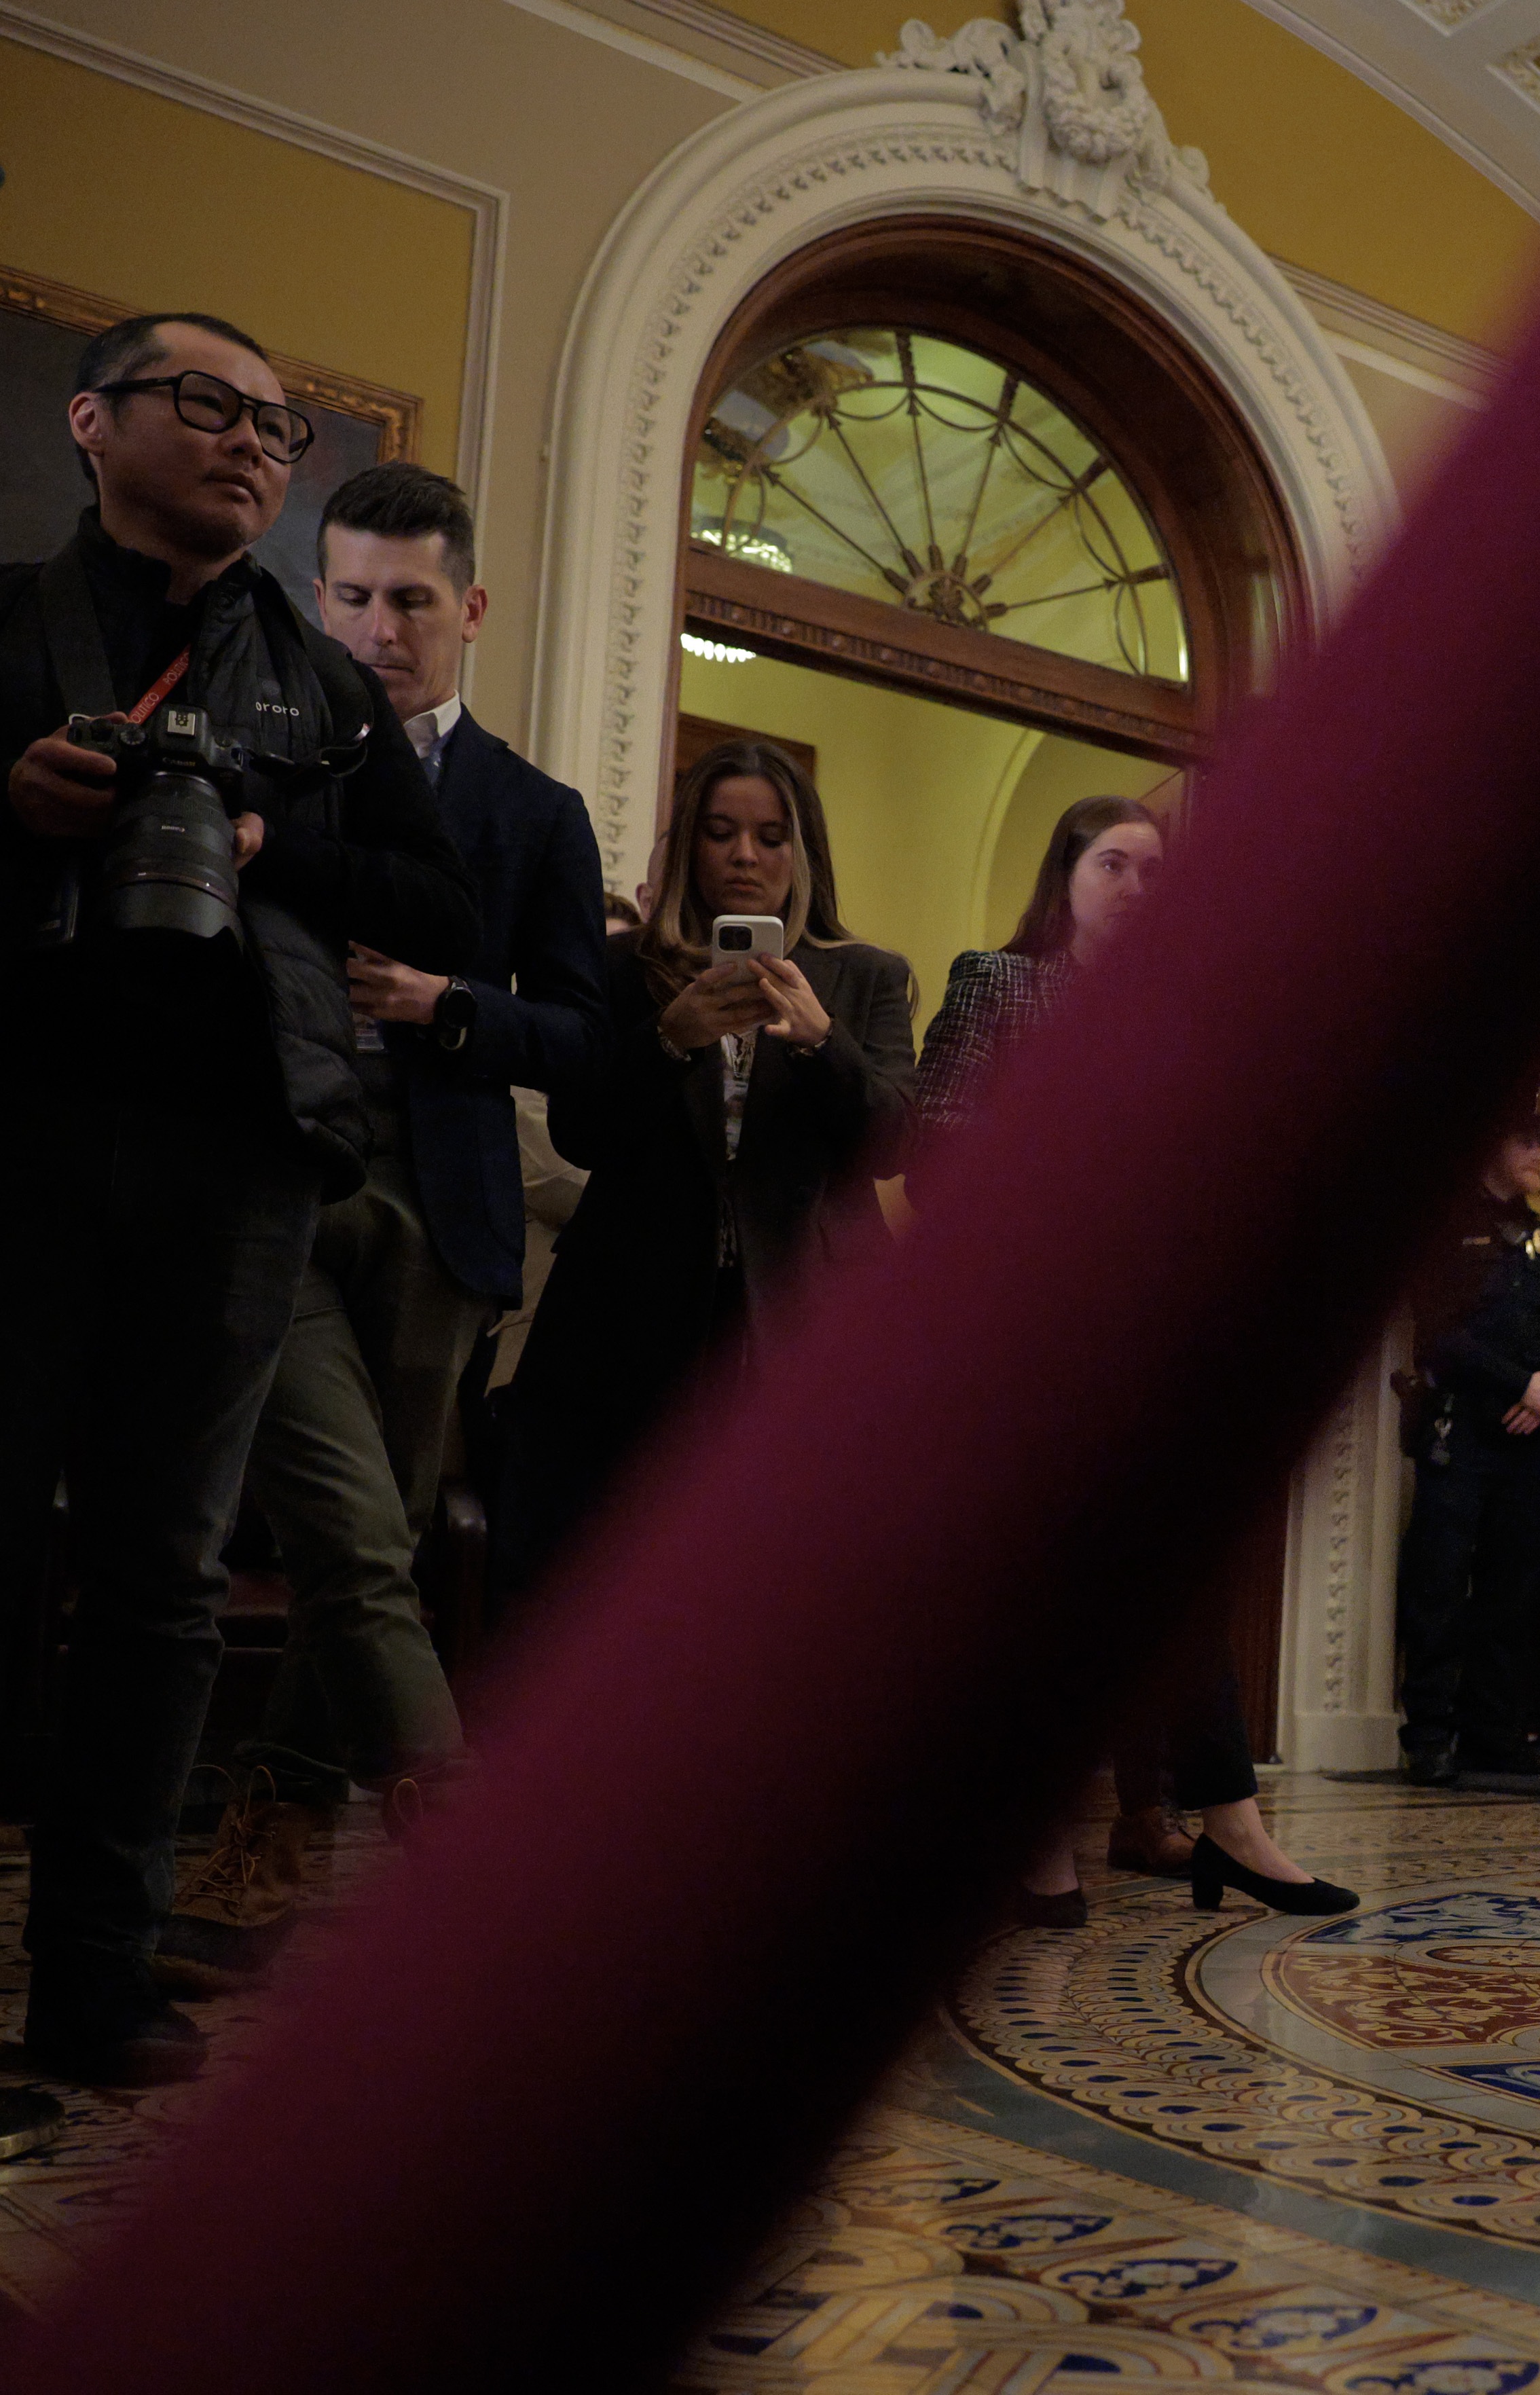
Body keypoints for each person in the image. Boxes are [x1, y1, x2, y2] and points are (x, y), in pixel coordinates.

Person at [0, 314, 478, 2085]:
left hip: (236, 1158)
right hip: (22, 1133)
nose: (249, 442)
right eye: (203, 404)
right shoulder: (8, 620)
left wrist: (278, 842)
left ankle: (98, 1978)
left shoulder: (315, 683)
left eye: (277, 424)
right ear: (92, 418)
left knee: (165, 1580)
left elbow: (439, 908)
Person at [163, 463, 609, 1983]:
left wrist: (446, 1004)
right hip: (274, 1184)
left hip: (441, 1206)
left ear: (467, 609)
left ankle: (273, 1832)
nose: (375, 627)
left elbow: (583, 1032)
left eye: (409, 598)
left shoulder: (533, 813)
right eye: (347, 594)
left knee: (391, 1530)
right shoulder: (252, 768)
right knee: (351, 1531)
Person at [918, 795, 1351, 1922]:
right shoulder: (998, 980)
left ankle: (1232, 1822)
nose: (1138, 889)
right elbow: (936, 1148)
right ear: (1065, 873)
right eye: (1115, 864)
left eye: (1160, 874)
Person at [500, 739, 914, 1591]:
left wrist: (819, 1044)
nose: (744, 855)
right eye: (721, 831)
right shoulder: (623, 967)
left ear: (803, 850)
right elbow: (579, 1130)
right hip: (629, 1314)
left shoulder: (865, 975)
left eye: (770, 835)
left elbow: (892, 1140)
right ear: (690, 841)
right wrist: (666, 1038)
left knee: (774, 1584)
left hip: (798, 1317)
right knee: (604, 1575)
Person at [1391, 1114, 1540, 1788]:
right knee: (1439, 1585)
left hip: (1525, 1437)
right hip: (1461, 1431)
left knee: (1514, 1588)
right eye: (1526, 1140)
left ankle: (1494, 1730)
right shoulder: (1443, 1225)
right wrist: (1521, 1383)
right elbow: (1441, 1334)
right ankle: (1429, 1735)